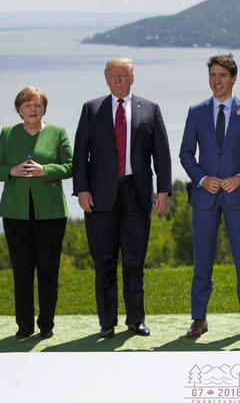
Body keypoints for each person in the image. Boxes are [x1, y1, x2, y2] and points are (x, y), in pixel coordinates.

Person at [72, 58, 172, 338]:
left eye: (123, 76)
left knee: (134, 261)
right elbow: (80, 153)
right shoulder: (92, 109)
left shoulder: (150, 109)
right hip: (99, 197)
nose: (118, 81)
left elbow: (161, 153)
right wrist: (81, 189)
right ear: (106, 79)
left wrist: (163, 189)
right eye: (113, 76)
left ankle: (136, 319)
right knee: (104, 263)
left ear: (132, 78)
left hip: (137, 195)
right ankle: (107, 322)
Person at [180, 53, 240, 339]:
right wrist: (202, 180)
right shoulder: (196, 111)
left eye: (222, 76)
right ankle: (198, 318)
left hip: (238, 196)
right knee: (202, 260)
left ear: (233, 78)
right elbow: (185, 154)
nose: (216, 81)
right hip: (205, 198)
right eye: (212, 75)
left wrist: (239, 178)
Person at [0, 86, 73, 339]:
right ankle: (24, 326)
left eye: (37, 105)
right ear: (19, 110)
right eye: (27, 105)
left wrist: (45, 170)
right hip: (16, 213)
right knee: (22, 271)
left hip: (51, 213)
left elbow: (70, 166)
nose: (33, 110)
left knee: (48, 270)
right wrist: (11, 171)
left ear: (44, 108)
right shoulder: (7, 133)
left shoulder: (58, 133)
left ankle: (46, 325)